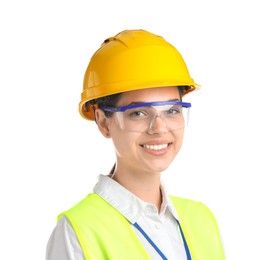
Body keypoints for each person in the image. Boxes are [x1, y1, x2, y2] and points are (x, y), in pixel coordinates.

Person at [46, 29, 225, 260]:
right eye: (139, 113)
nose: (159, 128)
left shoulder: (202, 220)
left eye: (172, 110)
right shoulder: (79, 231)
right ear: (103, 122)